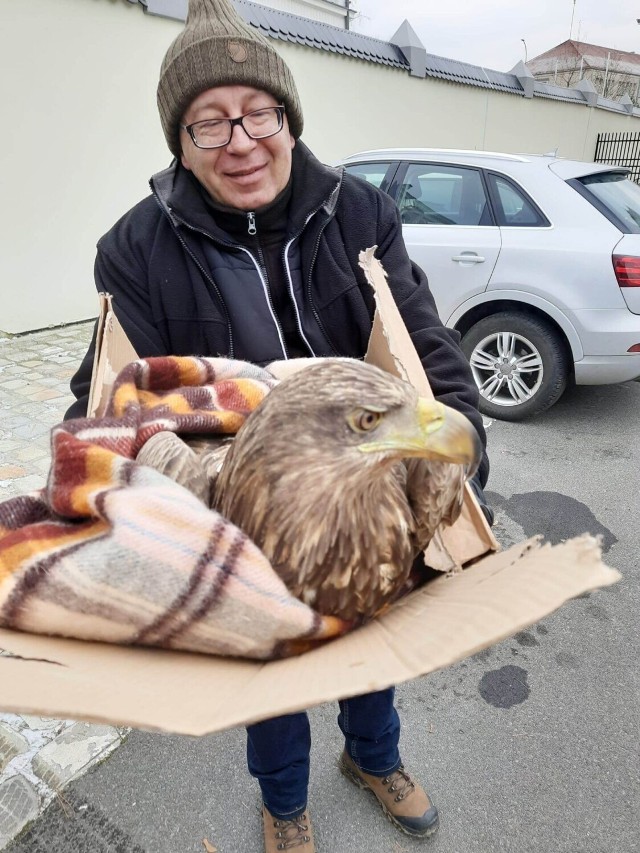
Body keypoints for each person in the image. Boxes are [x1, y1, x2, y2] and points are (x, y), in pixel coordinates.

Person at [65, 1, 492, 849]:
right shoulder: (136, 247)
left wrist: (464, 446)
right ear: (180, 143)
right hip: (244, 512)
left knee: (371, 648)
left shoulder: (361, 214)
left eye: (258, 113)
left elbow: (421, 344)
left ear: (288, 119)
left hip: (363, 493)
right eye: (208, 123)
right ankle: (286, 806)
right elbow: (105, 390)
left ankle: (375, 758)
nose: (240, 141)